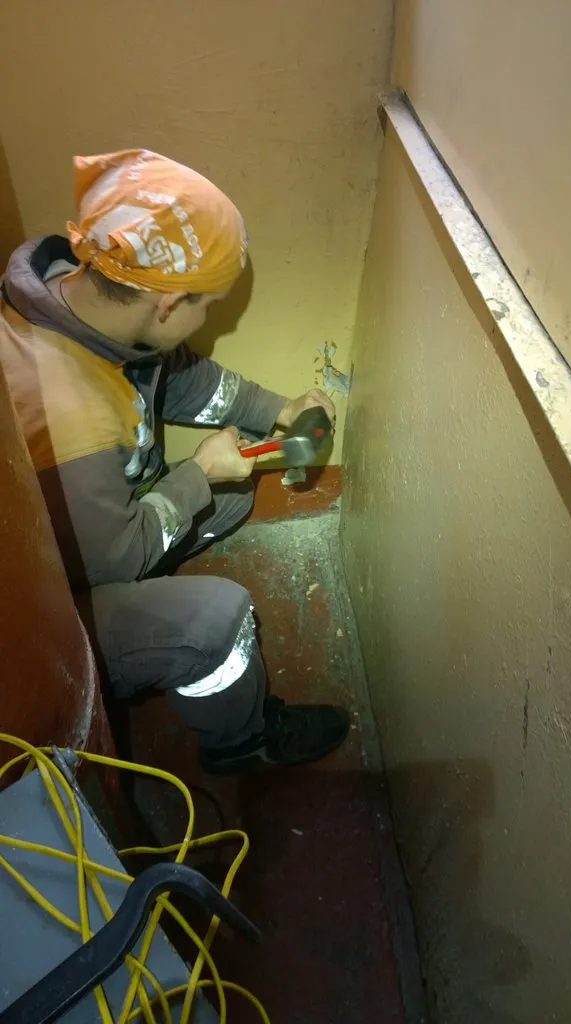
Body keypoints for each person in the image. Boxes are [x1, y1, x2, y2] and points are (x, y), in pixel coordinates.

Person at [0, 148, 349, 774]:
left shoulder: (85, 295)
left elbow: (181, 380)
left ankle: (156, 606)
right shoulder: (66, 410)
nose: (206, 319)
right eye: (206, 305)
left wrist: (280, 409)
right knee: (218, 618)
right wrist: (198, 475)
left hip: (98, 520)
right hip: (55, 606)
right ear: (168, 304)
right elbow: (111, 560)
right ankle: (241, 742)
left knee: (233, 496)